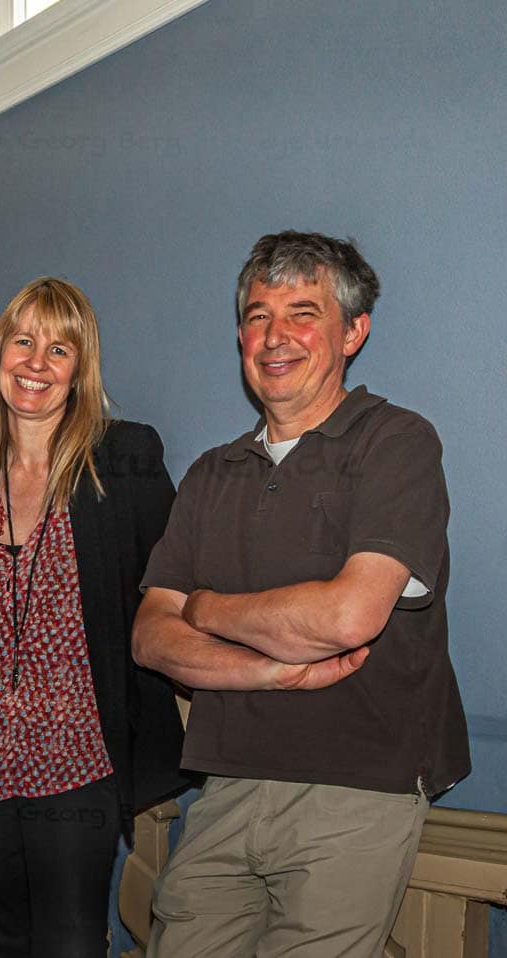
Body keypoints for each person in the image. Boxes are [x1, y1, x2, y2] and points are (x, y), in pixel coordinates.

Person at [133, 231, 470, 958]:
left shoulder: (397, 443)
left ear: (354, 332)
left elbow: (347, 616)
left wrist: (207, 608)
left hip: (357, 787)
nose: (275, 336)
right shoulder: (211, 473)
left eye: (302, 312)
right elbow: (149, 636)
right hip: (225, 784)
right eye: (258, 315)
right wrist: (270, 669)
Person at [0, 277, 188, 957]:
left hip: (76, 760)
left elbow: (177, 582)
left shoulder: (120, 465)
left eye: (59, 349)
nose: (36, 362)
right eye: (23, 341)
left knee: (69, 944)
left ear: (80, 370)